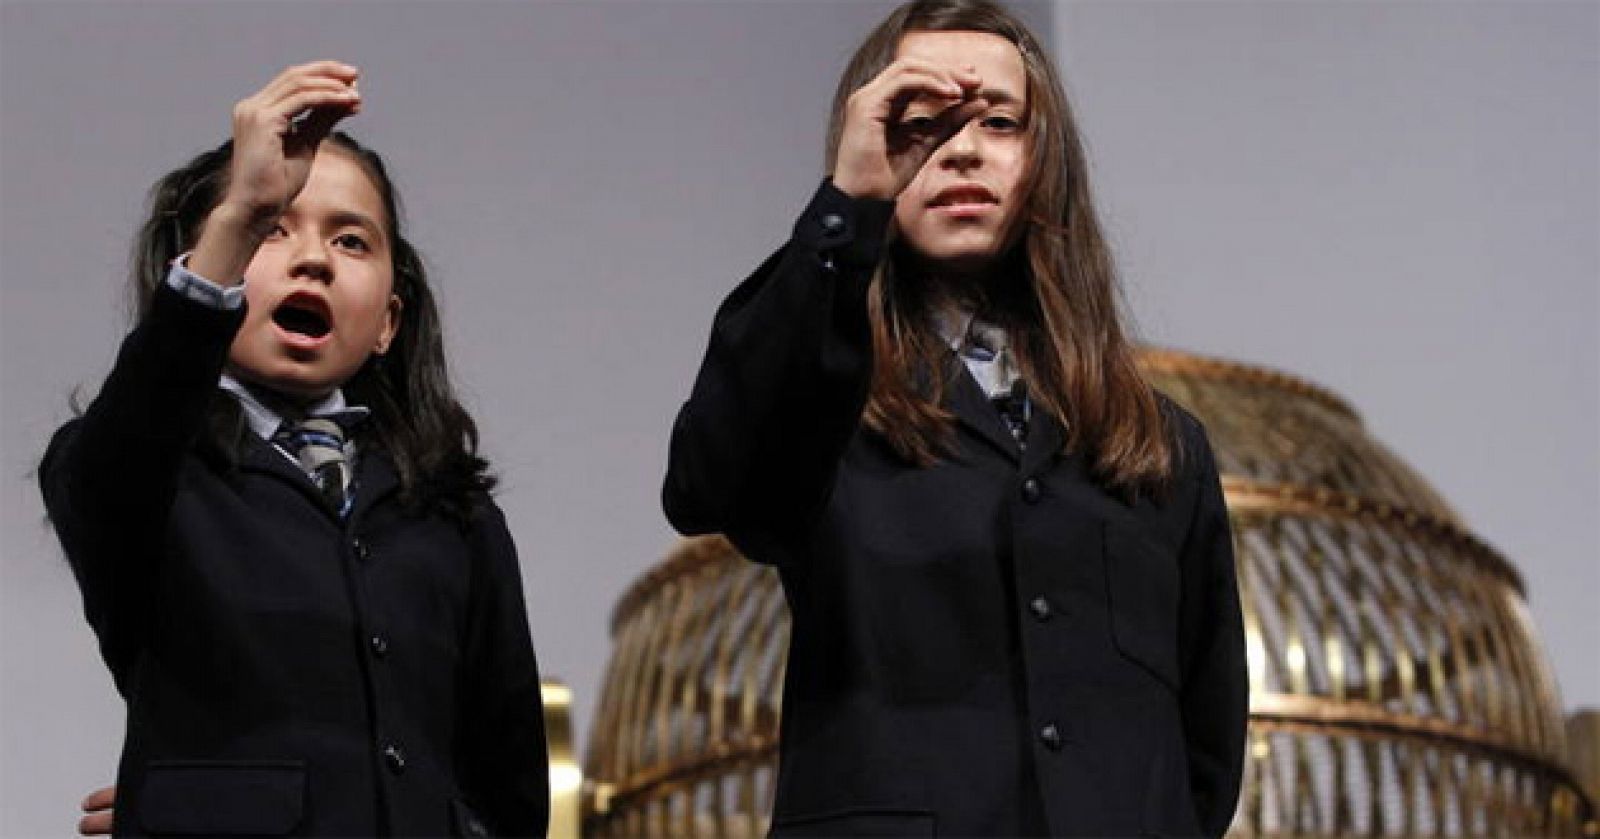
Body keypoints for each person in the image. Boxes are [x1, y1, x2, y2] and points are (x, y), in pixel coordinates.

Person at [662, 1, 1247, 835]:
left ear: (1047, 163)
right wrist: (847, 203)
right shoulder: (822, 404)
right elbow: (706, 481)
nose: (962, 148)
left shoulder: (1159, 444)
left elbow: (1206, 746)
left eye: (1000, 122)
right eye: (921, 124)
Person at [40, 62, 548, 837]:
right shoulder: (141, 472)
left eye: (351, 239)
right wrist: (240, 210)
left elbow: (509, 784)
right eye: (274, 228)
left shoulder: (457, 514)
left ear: (387, 320)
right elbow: (118, 457)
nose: (313, 257)